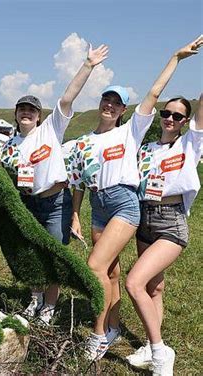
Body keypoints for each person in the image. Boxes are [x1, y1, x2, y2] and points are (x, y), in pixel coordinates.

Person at [68, 37, 202, 361]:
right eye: (107, 99)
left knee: (103, 270)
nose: (170, 118)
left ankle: (109, 338)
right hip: (113, 208)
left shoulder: (145, 134)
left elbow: (155, 93)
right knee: (121, 275)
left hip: (141, 210)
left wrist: (176, 56)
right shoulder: (126, 146)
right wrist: (74, 213)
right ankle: (121, 332)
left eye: (118, 102)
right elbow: (79, 180)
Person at [0, 44, 109, 325]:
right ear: (16, 114)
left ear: (38, 115)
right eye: (22, 109)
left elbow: (67, 98)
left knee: (53, 255)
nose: (27, 113)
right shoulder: (10, 144)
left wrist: (88, 64)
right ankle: (34, 299)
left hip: (54, 203)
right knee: (32, 254)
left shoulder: (50, 129)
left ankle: (49, 306)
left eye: (31, 109)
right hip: (28, 204)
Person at [124, 89, 202, 373]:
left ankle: (160, 353)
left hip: (171, 220)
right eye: (166, 113)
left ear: (185, 121)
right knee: (154, 287)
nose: (170, 118)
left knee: (133, 283)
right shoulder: (145, 149)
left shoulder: (190, 143)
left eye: (177, 115)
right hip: (145, 217)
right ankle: (149, 342)